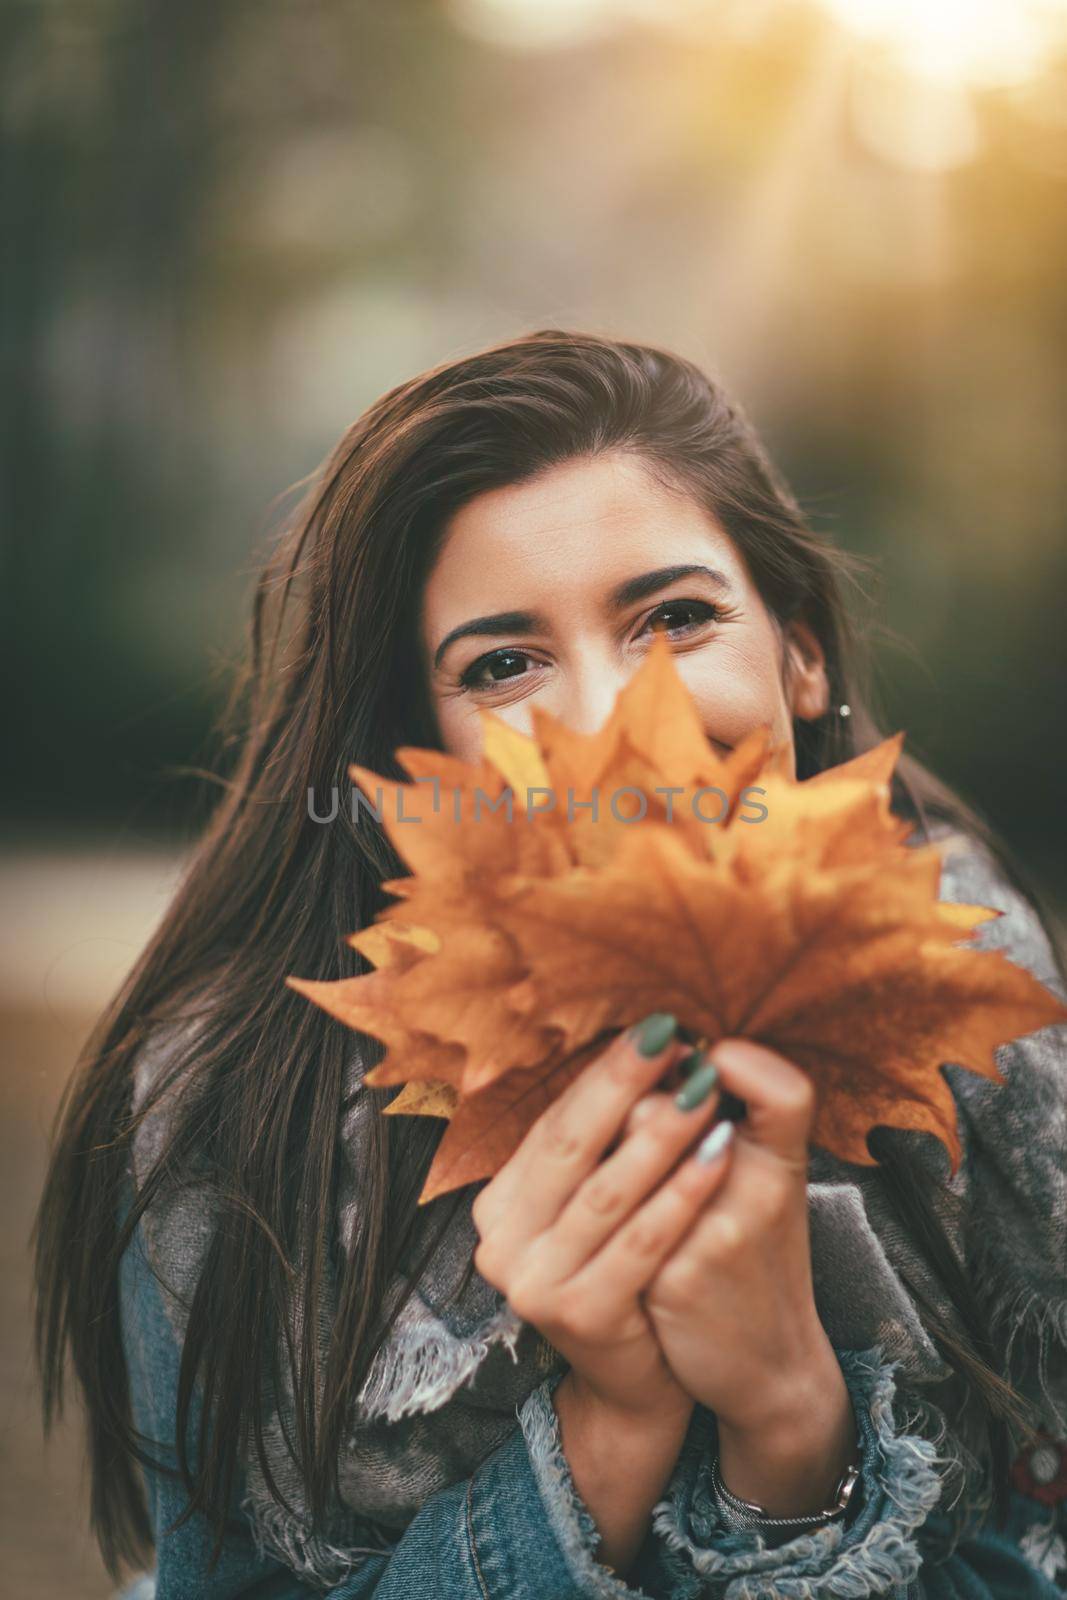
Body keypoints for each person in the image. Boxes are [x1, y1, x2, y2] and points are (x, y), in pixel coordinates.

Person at [33, 330, 1067, 1599]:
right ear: (422, 747)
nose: (606, 723)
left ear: (797, 656)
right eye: (503, 664)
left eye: (673, 618)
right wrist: (606, 1432)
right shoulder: (240, 1117)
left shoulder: (990, 1010)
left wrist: (792, 1425)